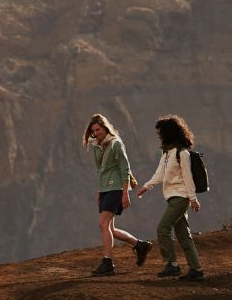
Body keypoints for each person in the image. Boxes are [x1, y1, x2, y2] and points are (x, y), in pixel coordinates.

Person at [135, 114, 205, 281]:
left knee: (163, 229)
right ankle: (197, 269)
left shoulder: (183, 153)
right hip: (172, 197)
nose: (159, 135)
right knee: (183, 235)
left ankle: (172, 265)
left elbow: (188, 177)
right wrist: (146, 186)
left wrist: (193, 199)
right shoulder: (167, 153)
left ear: (170, 132)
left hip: (181, 197)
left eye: (161, 131)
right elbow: (160, 174)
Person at [85, 113, 150, 276]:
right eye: (93, 131)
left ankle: (107, 262)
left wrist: (125, 194)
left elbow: (125, 169)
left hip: (116, 189)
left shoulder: (116, 144)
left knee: (103, 224)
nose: (96, 133)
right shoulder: (97, 146)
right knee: (110, 229)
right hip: (105, 189)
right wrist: (100, 191)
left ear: (105, 127)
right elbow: (100, 171)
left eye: (98, 129)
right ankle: (140, 245)